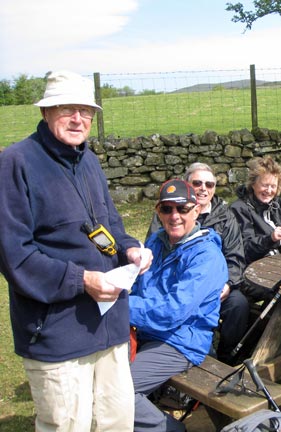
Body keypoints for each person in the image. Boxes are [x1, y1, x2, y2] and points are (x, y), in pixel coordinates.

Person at [0, 70, 153, 431]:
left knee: (116, 422)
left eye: (85, 111)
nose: (77, 119)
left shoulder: (89, 160)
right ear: (46, 112)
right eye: (66, 108)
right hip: (56, 331)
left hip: (110, 325)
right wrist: (82, 280)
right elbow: (13, 254)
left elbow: (108, 226)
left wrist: (130, 250)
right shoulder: (16, 163)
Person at [130, 179, 228, 432]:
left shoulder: (205, 255)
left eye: (182, 209)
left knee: (116, 392)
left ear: (196, 211)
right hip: (146, 333)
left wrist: (120, 306)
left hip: (181, 342)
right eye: (167, 209)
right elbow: (139, 289)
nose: (175, 216)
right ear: (158, 211)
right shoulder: (155, 242)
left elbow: (172, 312)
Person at [147, 163, 249, 365]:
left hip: (216, 284)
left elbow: (235, 257)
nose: (204, 188)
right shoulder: (168, 212)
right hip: (177, 280)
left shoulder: (226, 216)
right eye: (198, 183)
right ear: (186, 184)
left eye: (210, 184)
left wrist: (227, 284)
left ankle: (227, 358)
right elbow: (153, 249)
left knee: (239, 305)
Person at [230, 156, 281, 300]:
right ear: (253, 184)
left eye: (273, 186)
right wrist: (270, 238)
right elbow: (244, 249)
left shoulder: (280, 205)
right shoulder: (239, 209)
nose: (269, 190)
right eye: (264, 185)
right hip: (251, 273)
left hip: (280, 266)